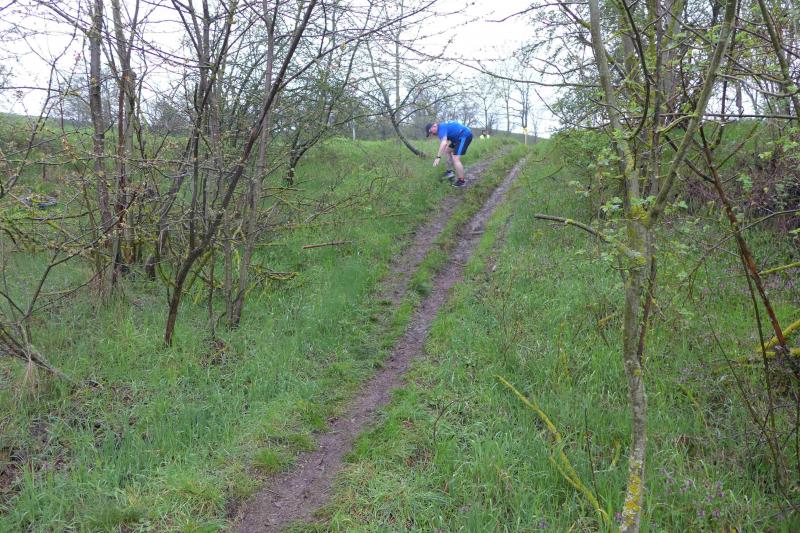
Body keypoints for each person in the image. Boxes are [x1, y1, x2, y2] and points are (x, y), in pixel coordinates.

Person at [425, 121, 473, 187]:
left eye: (431, 132)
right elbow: (444, 142)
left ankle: (461, 181)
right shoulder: (441, 128)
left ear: (434, 126)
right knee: (447, 151)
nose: (432, 134)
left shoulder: (441, 128)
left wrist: (438, 157)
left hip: (464, 135)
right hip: (457, 138)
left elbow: (444, 143)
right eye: (430, 133)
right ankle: (449, 172)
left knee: (455, 158)